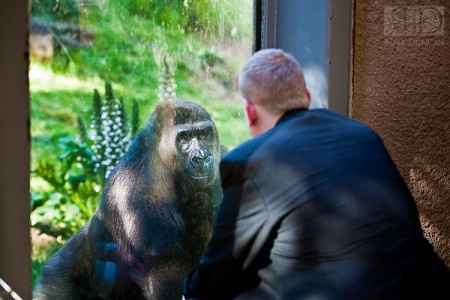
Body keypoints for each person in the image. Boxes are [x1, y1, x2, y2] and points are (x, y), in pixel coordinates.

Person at [183, 49, 449, 300]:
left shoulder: (250, 161)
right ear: (306, 96)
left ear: (250, 112)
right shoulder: (361, 135)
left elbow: (214, 279)